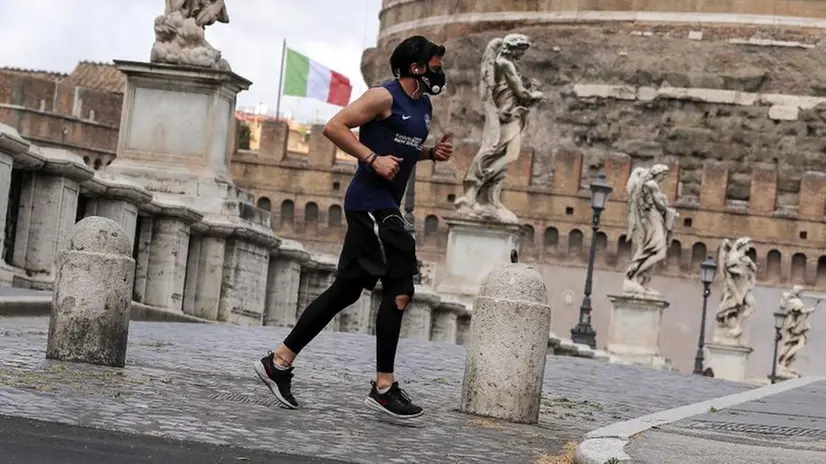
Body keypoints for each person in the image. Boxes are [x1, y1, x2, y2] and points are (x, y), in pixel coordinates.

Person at [253, 35, 453, 419]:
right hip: (370, 205)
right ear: (416, 67)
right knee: (400, 288)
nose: (439, 71)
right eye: (436, 64)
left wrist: (429, 154)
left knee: (345, 290)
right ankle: (383, 387)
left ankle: (278, 363)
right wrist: (372, 158)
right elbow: (335, 127)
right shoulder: (383, 96)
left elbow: (405, 147)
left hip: (383, 206)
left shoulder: (423, 105)